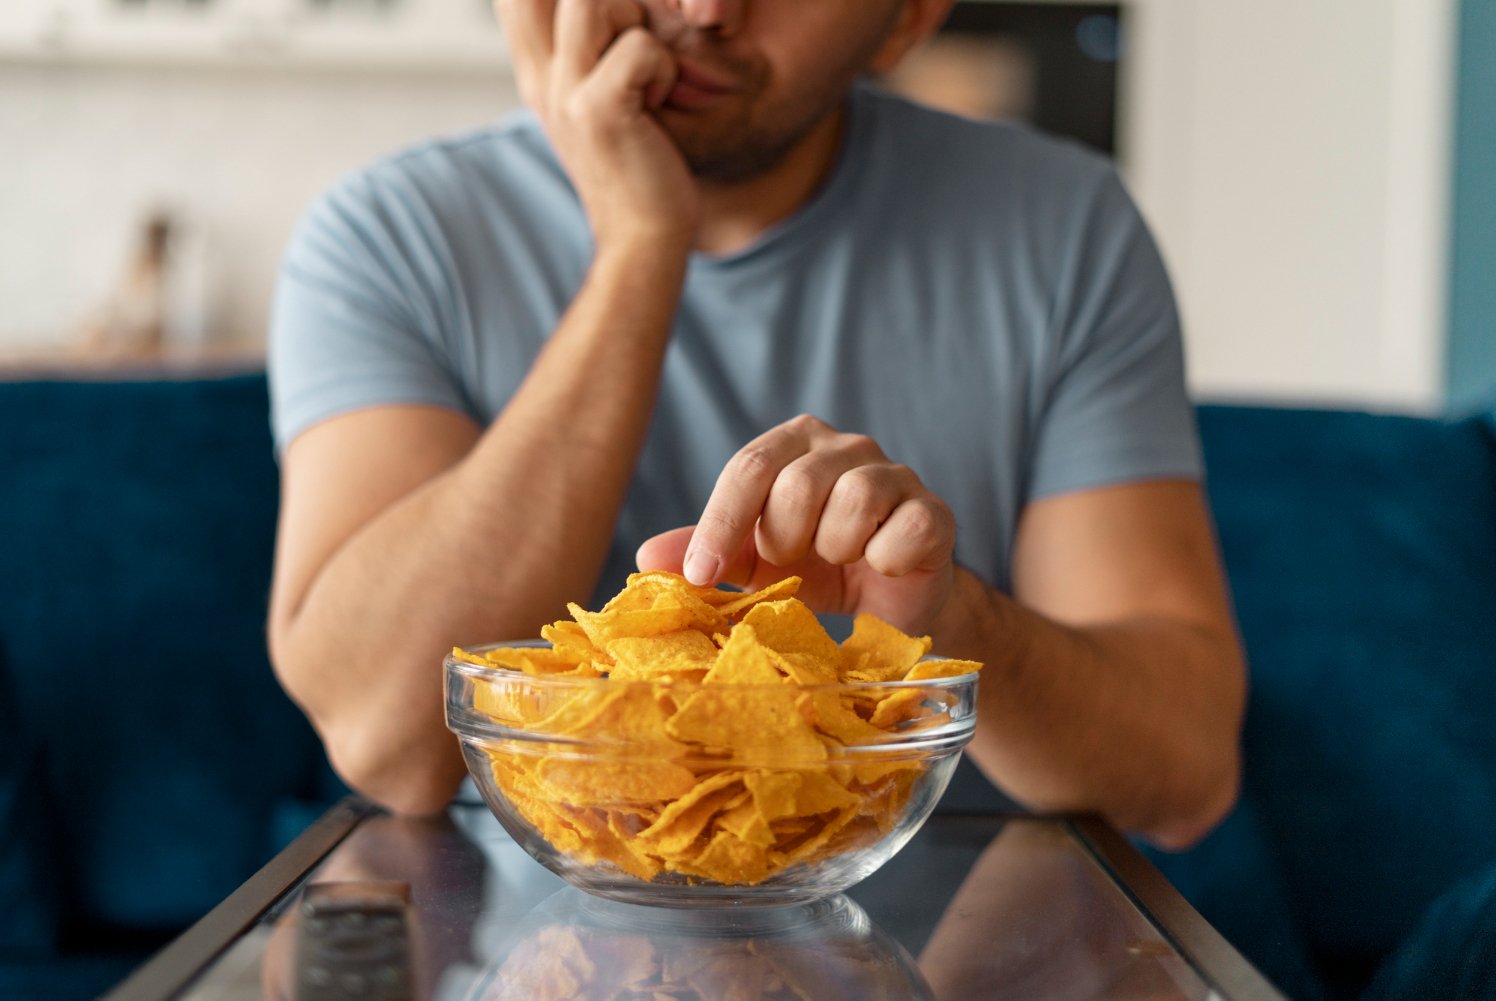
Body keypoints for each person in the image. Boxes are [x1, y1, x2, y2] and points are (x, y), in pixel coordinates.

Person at [265, 0, 1246, 850]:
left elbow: (1186, 772)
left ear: (909, 18)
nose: (703, 9)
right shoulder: (387, 237)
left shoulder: (1066, 231)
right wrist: (643, 247)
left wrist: (943, 617)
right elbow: (389, 742)